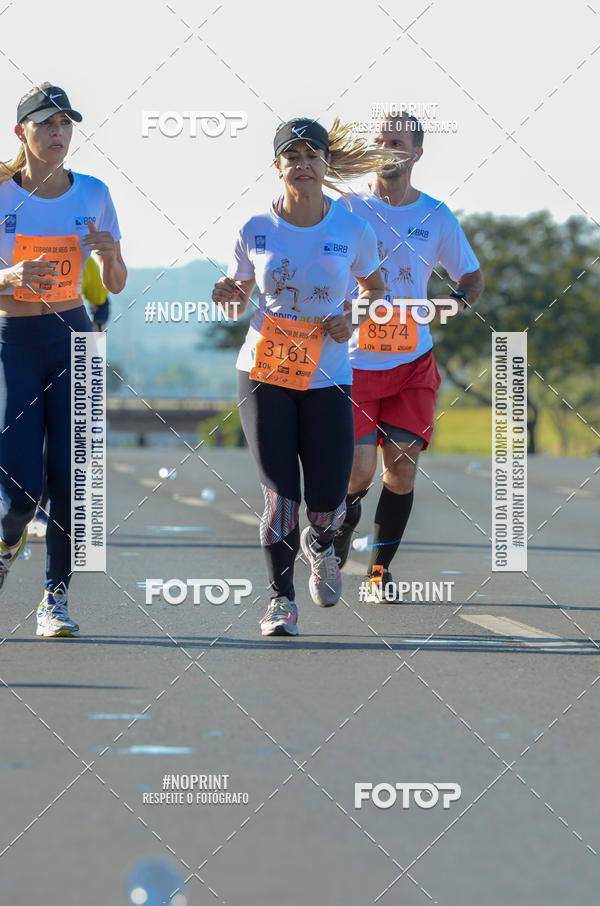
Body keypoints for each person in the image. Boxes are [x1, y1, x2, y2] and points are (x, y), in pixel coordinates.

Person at [212, 117, 388, 636]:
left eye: (313, 156)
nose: (303, 166)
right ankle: (280, 600)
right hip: (265, 373)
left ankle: (323, 543)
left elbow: (376, 292)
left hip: (329, 378)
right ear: (278, 166)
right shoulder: (254, 229)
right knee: (280, 495)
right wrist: (227, 295)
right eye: (293, 157)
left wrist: (353, 315)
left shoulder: (352, 229)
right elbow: (238, 298)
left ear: (325, 165)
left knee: (328, 501)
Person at [334, 112, 484, 602]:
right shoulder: (348, 206)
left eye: (396, 142)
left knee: (400, 468)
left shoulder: (436, 216)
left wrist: (455, 302)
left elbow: (471, 277)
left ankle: (378, 574)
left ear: (416, 153)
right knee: (357, 472)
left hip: (413, 361)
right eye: (379, 140)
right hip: (354, 361)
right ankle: (332, 535)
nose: (385, 148)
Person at [0, 82, 126, 636]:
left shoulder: (94, 193)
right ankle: (7, 543)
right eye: (46, 123)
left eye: (66, 124)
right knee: (20, 491)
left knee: (75, 481)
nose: (58, 133)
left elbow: (117, 281)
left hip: (74, 338)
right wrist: (8, 277)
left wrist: (111, 256)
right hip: (12, 342)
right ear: (20, 131)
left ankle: (55, 598)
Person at [27, 256, 110, 541]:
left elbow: (100, 300)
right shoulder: (79, 255)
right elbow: (101, 304)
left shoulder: (82, 258)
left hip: (65, 353)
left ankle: (39, 509)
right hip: (30, 351)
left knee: (56, 440)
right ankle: (28, 507)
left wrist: (96, 329)